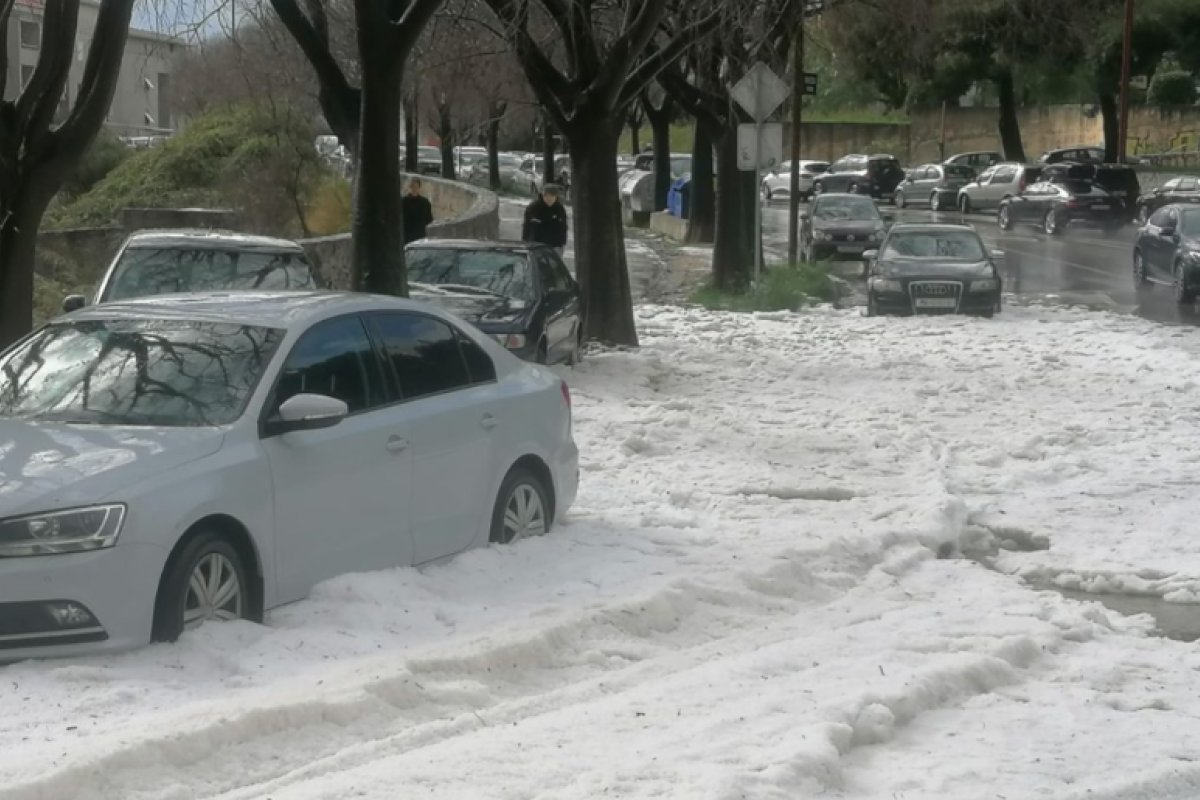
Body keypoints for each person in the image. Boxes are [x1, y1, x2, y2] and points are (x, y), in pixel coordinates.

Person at [522, 184, 568, 254]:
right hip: (536, 244)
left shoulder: (559, 209)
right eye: (547, 196)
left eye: (553, 196)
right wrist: (525, 241)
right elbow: (527, 226)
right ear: (543, 195)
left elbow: (563, 227)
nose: (550, 199)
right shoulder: (533, 208)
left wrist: (563, 243)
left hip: (555, 245)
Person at [401, 178, 434, 244]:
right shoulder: (403, 202)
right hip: (407, 236)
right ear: (409, 187)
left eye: (416, 187)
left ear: (419, 187)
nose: (414, 189)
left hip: (420, 235)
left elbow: (429, 219)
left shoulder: (425, 202)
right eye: (412, 187)